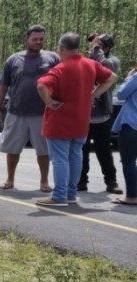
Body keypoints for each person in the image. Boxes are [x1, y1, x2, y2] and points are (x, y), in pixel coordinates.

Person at [35, 32, 117, 207]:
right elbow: (112, 78)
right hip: (81, 120)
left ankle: (59, 196)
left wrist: (48, 102)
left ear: (61, 48)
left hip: (60, 121)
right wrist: (93, 94)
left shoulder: (60, 68)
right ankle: (71, 193)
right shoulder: (91, 64)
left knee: (60, 159)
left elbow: (41, 85)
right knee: (75, 156)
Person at [0, 24, 61, 192]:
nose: (38, 42)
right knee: (12, 149)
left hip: (43, 113)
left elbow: (62, 82)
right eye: (34, 39)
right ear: (26, 40)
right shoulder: (13, 60)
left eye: (41, 39)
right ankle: (10, 179)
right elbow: (3, 86)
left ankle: (44, 182)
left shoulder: (53, 58)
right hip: (17, 111)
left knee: (43, 150)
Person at [79, 33, 122, 194]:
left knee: (103, 151)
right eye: (94, 45)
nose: (94, 48)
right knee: (81, 150)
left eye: (99, 46)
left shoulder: (112, 60)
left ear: (108, 48)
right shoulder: (89, 60)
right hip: (84, 114)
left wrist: (96, 50)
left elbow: (107, 68)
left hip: (101, 115)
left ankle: (111, 181)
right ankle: (81, 181)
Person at [110, 64, 137, 205]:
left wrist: (129, 78)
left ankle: (132, 196)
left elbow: (121, 94)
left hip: (132, 124)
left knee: (129, 161)